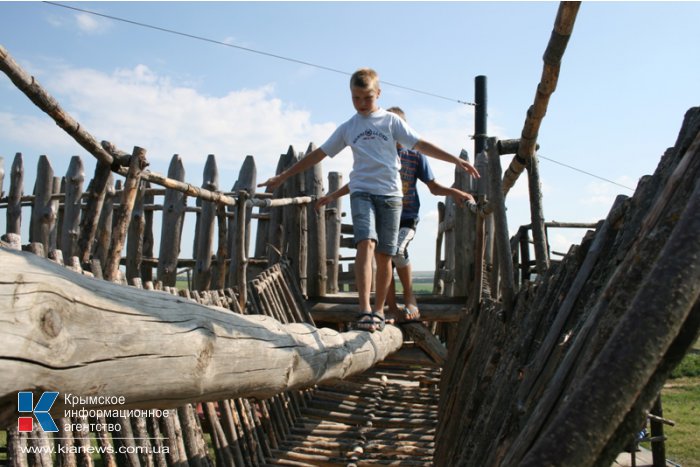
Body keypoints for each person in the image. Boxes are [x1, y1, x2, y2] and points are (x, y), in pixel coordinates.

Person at [258, 68, 479, 332]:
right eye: (356, 98)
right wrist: (282, 176)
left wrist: (456, 160)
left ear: (378, 94)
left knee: (386, 255)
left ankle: (378, 310)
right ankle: (364, 309)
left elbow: (421, 144)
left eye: (367, 98)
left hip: (391, 196)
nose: (362, 104)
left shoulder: (391, 122)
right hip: (362, 192)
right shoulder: (349, 127)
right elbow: (318, 155)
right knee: (366, 244)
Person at [317, 106, 475, 324]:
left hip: (407, 216)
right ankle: (390, 308)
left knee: (398, 251)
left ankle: (410, 298)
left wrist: (454, 191)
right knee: (385, 259)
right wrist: (333, 195)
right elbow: (358, 181)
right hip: (384, 214)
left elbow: (433, 187)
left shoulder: (416, 156)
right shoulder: (380, 151)